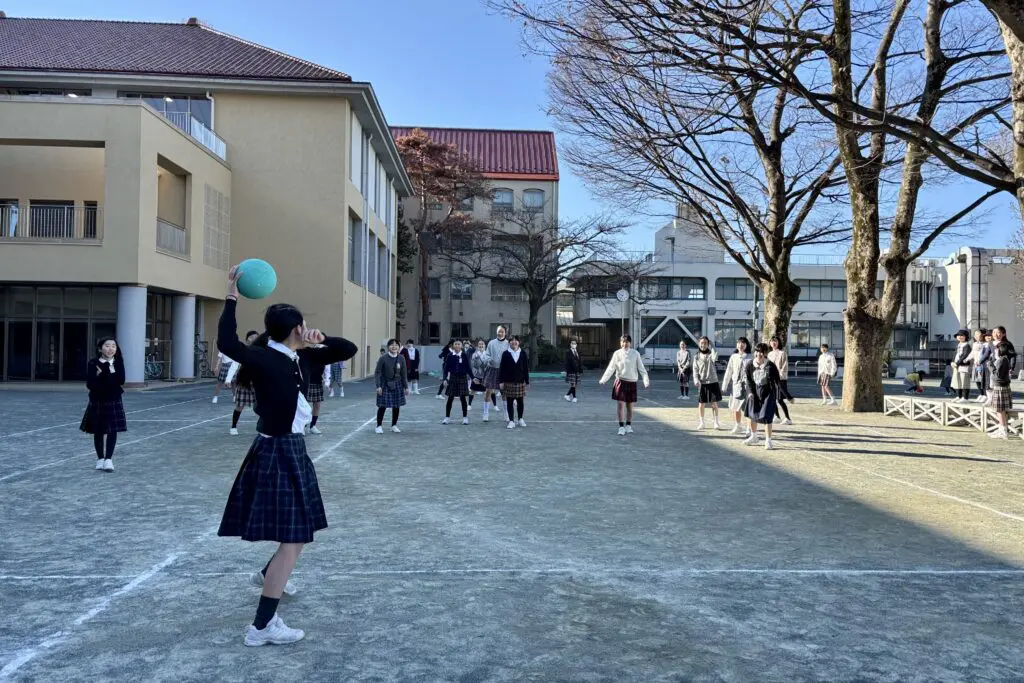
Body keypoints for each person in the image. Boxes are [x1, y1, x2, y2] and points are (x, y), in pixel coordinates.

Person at [217, 265, 357, 647]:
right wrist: (231, 296)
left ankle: (267, 575)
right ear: (295, 328)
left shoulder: (306, 357)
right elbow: (228, 344)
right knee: (294, 539)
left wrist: (318, 338)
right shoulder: (265, 358)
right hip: (276, 450)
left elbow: (348, 349)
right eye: (305, 326)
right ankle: (262, 626)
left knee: (296, 533)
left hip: (293, 449)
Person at [79, 337, 126, 472]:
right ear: (100, 348)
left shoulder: (118, 362)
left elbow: (121, 380)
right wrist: (109, 376)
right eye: (107, 346)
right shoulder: (93, 363)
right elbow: (91, 384)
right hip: (97, 399)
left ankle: (109, 459)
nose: (110, 349)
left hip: (113, 399)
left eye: (113, 346)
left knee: (112, 429)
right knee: (98, 429)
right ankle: (100, 458)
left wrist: (103, 373)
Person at [599, 334, 651, 436]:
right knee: (620, 404)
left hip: (632, 382)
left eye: (627, 342)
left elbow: (642, 369)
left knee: (630, 407)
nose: (625, 344)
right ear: (620, 343)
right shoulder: (617, 354)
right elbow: (611, 368)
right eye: (623, 342)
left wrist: (646, 381)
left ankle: (628, 426)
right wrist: (604, 379)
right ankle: (621, 427)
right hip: (620, 381)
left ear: (630, 343)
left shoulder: (635, 354)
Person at [744, 343, 781, 450]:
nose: (759, 354)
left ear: (765, 353)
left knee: (767, 417)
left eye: (761, 352)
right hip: (754, 392)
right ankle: (753, 436)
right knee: (752, 414)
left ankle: (768, 440)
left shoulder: (770, 365)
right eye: (757, 351)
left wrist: (784, 395)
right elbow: (749, 380)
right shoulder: (750, 364)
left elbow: (777, 381)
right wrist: (750, 392)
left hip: (768, 393)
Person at [226, 330, 260, 435]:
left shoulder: (261, 351)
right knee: (240, 405)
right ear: (247, 339)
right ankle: (233, 426)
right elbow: (234, 365)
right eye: (252, 337)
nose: (254, 338)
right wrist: (228, 379)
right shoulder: (242, 351)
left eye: (256, 337)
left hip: (257, 382)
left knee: (262, 405)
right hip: (243, 381)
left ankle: (263, 426)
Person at [375, 339, 410, 434]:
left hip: (397, 384)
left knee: (396, 406)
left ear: (399, 347)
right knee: (382, 406)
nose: (394, 347)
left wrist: (406, 387)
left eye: (396, 345)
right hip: (385, 384)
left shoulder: (401, 358)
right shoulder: (383, 358)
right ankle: (378, 426)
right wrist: (378, 386)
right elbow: (377, 373)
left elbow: (404, 374)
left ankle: (394, 425)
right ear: (388, 347)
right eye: (391, 345)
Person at [721, 337, 751, 436]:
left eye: (743, 343)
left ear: (746, 345)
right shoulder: (733, 357)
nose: (741, 345)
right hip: (736, 385)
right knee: (735, 407)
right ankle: (738, 425)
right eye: (739, 343)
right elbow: (729, 371)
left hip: (747, 386)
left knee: (747, 407)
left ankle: (749, 428)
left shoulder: (750, 357)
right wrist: (724, 385)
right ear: (736, 345)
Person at [498, 335, 530, 429]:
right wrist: (501, 381)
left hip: (520, 381)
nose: (514, 342)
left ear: (519, 342)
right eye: (512, 340)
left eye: (516, 340)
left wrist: (527, 381)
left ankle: (520, 419)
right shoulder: (505, 353)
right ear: (509, 342)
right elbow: (502, 369)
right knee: (510, 401)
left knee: (520, 401)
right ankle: (511, 421)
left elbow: (525, 368)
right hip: (508, 381)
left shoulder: (523, 353)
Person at [693, 336, 722, 430]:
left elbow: (715, 355)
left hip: (713, 381)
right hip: (702, 383)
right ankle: (702, 422)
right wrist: (696, 380)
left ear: (708, 344)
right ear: (699, 344)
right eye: (702, 343)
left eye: (705, 343)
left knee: (714, 403)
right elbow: (695, 370)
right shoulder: (696, 356)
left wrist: (712, 344)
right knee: (701, 404)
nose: (703, 345)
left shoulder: (711, 354)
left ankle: (716, 422)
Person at [988, 340, 1014, 439]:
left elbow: (998, 375)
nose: (995, 352)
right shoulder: (1003, 359)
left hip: (1000, 387)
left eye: (996, 350)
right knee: (1000, 410)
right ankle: (1001, 429)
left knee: (1000, 410)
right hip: (1001, 386)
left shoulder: (1002, 360)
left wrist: (990, 366)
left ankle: (1003, 430)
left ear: (1001, 350)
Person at [484, 326, 511, 422]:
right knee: (488, 391)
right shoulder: (491, 343)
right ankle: (485, 414)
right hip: (492, 369)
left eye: (502, 332)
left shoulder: (508, 344)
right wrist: (488, 359)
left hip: (503, 371)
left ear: (505, 333)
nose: (500, 333)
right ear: (496, 332)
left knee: (504, 393)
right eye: (499, 332)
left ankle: (506, 414)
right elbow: (486, 354)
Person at [442, 340, 472, 425]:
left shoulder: (464, 355)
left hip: (463, 378)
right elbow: (446, 368)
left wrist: (473, 378)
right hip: (453, 378)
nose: (457, 345)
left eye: (459, 344)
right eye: (456, 344)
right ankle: (447, 417)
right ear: (453, 346)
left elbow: (468, 368)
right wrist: (444, 379)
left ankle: (465, 418)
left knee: (463, 399)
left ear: (461, 346)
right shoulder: (450, 355)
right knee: (450, 398)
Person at [767, 336, 793, 425]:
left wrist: (780, 376)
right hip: (771, 379)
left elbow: (785, 366)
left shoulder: (782, 353)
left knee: (780, 399)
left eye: (775, 341)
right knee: (773, 399)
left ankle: (788, 418)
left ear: (778, 343)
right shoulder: (769, 354)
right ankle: (777, 416)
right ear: (770, 343)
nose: (774, 343)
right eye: (772, 341)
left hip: (780, 378)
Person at [304, 353, 327, 435]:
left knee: (317, 405)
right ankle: (303, 426)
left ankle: (313, 426)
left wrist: (327, 381)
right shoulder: (308, 357)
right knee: (304, 405)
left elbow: (326, 370)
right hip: (307, 383)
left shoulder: (323, 359)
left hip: (318, 382)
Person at [969, 328, 991, 404]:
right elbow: (972, 353)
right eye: (975, 334)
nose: (977, 336)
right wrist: (966, 359)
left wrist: (980, 361)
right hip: (976, 364)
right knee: (977, 380)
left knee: (983, 380)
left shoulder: (985, 344)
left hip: (982, 364)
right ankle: (981, 394)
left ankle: (985, 395)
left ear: (983, 335)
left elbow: (985, 355)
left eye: (979, 334)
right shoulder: (974, 344)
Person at [951, 329, 972, 402]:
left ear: (966, 337)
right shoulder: (958, 345)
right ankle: (959, 396)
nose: (960, 337)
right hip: (957, 366)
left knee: (964, 381)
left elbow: (965, 355)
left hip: (963, 366)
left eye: (962, 335)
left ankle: (965, 397)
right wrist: (952, 362)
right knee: (957, 381)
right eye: (958, 335)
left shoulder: (967, 345)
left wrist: (957, 363)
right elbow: (955, 354)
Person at [470, 339, 490, 407]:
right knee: (473, 390)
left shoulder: (488, 354)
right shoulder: (474, 354)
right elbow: (473, 365)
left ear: (485, 345)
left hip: (486, 375)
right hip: (477, 375)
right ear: (477, 346)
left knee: (490, 391)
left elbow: (489, 364)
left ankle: (494, 405)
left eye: (482, 344)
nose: (481, 345)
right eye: (479, 344)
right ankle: (469, 405)